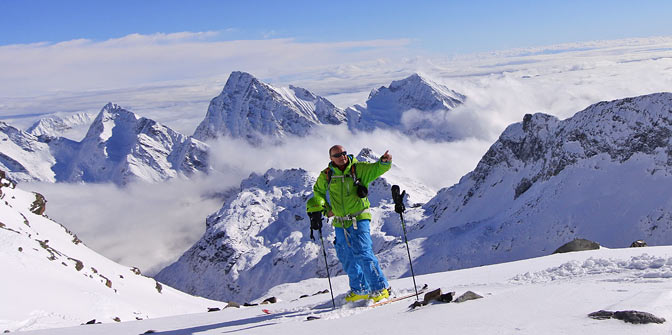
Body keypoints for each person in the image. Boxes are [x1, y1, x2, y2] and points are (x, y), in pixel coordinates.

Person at [306, 145, 393, 303]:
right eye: (337, 155)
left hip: (359, 218)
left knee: (363, 252)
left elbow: (376, 169)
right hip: (340, 221)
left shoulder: (358, 169)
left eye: (344, 153)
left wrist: (384, 162)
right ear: (331, 158)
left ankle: (381, 288)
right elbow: (318, 192)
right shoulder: (327, 175)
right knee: (346, 255)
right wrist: (326, 209)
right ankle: (360, 289)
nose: (342, 156)